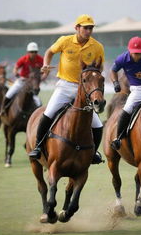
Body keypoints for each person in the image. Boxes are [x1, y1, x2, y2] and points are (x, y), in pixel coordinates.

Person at [28, 14, 105, 164]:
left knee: (97, 124)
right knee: (48, 113)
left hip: (85, 90)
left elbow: (100, 67)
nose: (88, 31)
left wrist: (95, 78)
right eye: (85, 28)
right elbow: (49, 52)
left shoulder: (97, 46)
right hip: (65, 86)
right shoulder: (65, 41)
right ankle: (37, 146)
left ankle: (93, 153)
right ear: (77, 28)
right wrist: (45, 64)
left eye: (91, 28)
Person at [0, 42, 43, 115]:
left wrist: (43, 76)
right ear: (28, 52)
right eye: (32, 52)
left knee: (38, 102)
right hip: (22, 81)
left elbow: (45, 69)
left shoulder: (40, 59)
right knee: (9, 94)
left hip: (32, 84)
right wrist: (17, 75)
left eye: (35, 52)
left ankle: (37, 115)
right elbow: (15, 68)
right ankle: (2, 110)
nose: (33, 53)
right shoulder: (23, 59)